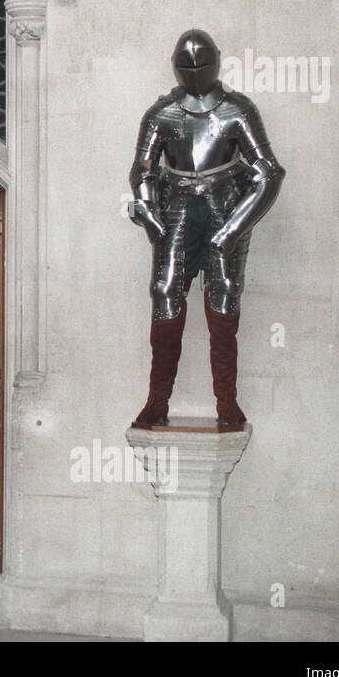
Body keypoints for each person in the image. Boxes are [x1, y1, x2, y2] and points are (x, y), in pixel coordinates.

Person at [127, 29, 285, 427]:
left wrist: (233, 228)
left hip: (224, 205)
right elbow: (143, 169)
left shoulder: (237, 110)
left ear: (217, 60)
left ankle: (227, 405)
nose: (195, 70)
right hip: (176, 207)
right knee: (165, 298)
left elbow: (269, 173)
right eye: (187, 64)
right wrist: (146, 207)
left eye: (201, 62)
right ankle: (157, 402)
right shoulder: (161, 113)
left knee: (223, 302)